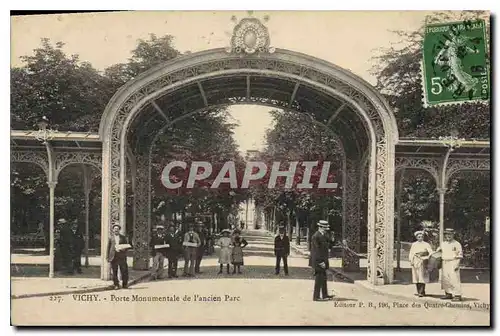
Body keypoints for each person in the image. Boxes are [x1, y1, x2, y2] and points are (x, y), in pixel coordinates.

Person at [310, 220, 334, 301]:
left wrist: (332, 239)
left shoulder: (324, 235)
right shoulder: (316, 236)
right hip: (318, 261)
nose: (326, 229)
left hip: (324, 260)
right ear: (320, 227)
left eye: (326, 228)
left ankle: (325, 295)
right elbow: (316, 251)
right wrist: (320, 262)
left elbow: (329, 245)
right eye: (324, 228)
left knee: (323, 278)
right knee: (318, 279)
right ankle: (316, 297)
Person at [437, 228, 463, 301]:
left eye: (450, 234)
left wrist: (457, 264)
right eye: (447, 234)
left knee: (454, 278)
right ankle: (448, 293)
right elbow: (439, 250)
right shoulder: (443, 243)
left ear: (453, 235)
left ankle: (457, 295)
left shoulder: (457, 244)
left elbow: (460, 255)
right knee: (445, 279)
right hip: (444, 262)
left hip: (453, 261)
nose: (448, 236)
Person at [409, 230, 433, 297]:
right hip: (415, 261)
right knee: (416, 277)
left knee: (422, 276)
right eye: (419, 237)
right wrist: (411, 260)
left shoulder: (426, 244)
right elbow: (411, 253)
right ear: (416, 237)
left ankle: (422, 292)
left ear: (423, 237)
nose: (420, 238)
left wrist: (426, 257)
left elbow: (430, 252)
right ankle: (418, 291)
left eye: (421, 236)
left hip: (423, 261)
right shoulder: (414, 244)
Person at [106, 223, 130, 289]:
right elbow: (108, 247)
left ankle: (125, 284)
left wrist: (123, 249)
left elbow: (127, 246)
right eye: (115, 229)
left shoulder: (123, 237)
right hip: (113, 257)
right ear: (113, 230)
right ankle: (116, 284)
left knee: (124, 271)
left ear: (119, 230)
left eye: (117, 229)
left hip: (121, 256)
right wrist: (107, 257)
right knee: (114, 271)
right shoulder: (111, 238)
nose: (116, 230)